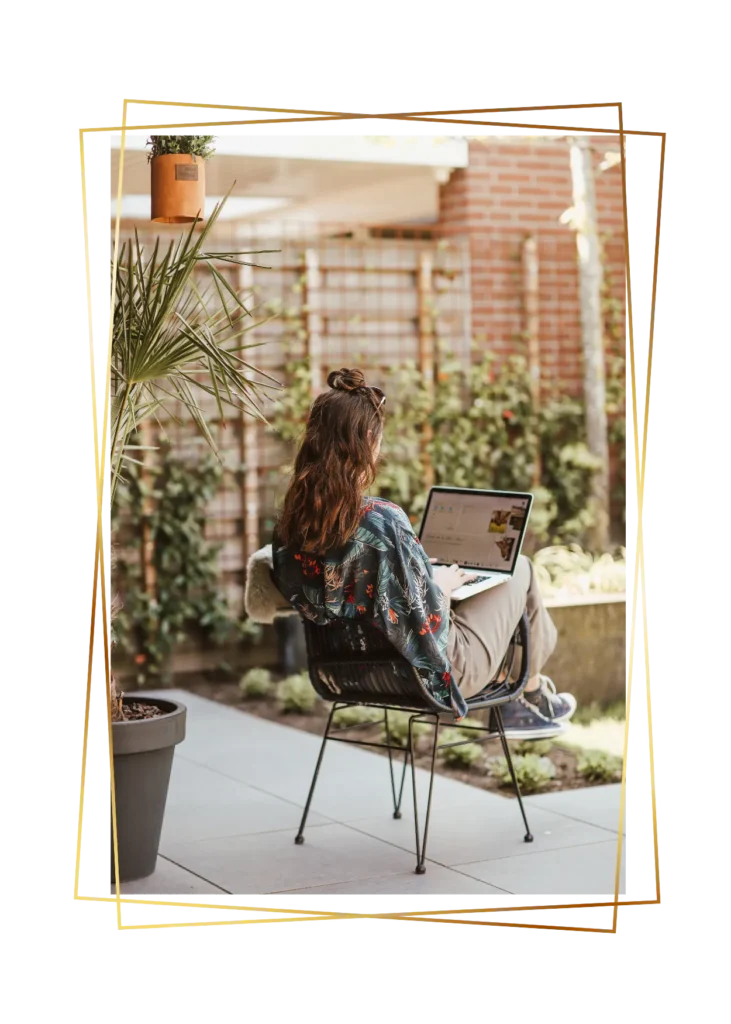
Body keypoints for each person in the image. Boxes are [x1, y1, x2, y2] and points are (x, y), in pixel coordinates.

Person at [271, 368, 577, 739]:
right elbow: (425, 620)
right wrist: (441, 584)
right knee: (522, 568)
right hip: (427, 675)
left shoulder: (289, 526)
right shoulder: (381, 521)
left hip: (345, 673)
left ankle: (528, 693)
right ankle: (524, 694)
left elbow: (345, 590)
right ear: (367, 441)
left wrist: (416, 572)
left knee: (483, 580)